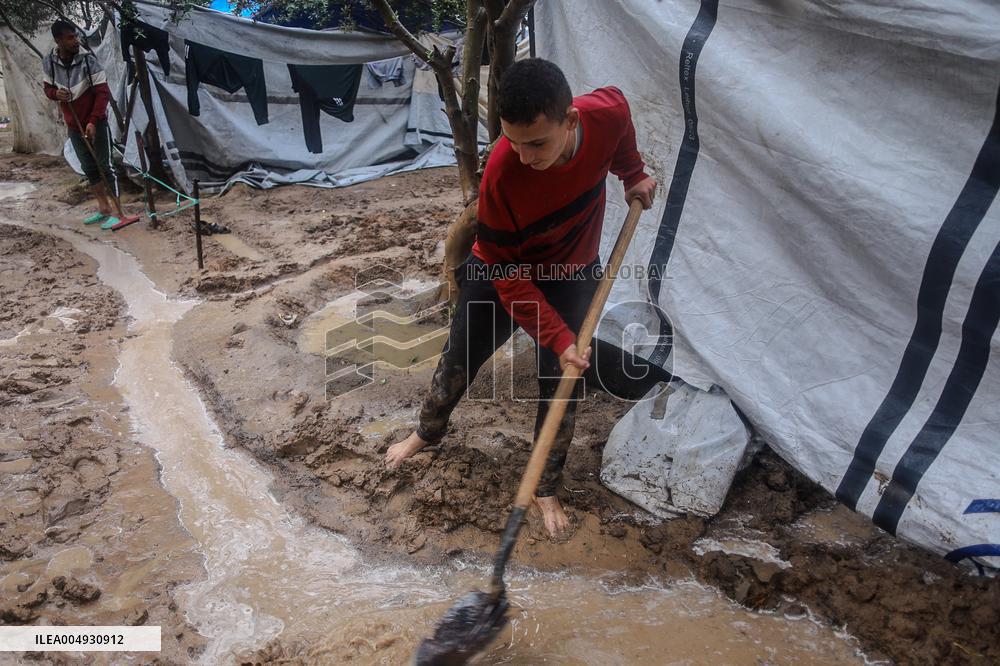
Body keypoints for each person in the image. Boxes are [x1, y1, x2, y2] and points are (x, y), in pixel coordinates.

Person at [386, 58, 656, 537]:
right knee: (461, 354)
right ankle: (426, 431)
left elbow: (622, 123)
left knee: (562, 382)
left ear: (570, 120)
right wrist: (554, 335)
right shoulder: (503, 173)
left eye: (537, 143)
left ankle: (545, 485)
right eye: (513, 141)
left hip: (572, 271)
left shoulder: (606, 112)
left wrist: (631, 172)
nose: (526, 156)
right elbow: (508, 277)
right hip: (502, 268)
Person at [42, 20, 118, 226]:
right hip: (74, 125)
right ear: (58, 40)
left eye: (75, 36)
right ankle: (104, 208)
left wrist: (93, 121)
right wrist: (55, 93)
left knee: (105, 166)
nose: (75, 40)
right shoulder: (49, 62)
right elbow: (47, 89)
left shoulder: (88, 60)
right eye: (70, 37)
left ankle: (118, 213)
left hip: (97, 122)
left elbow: (102, 93)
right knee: (89, 167)